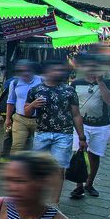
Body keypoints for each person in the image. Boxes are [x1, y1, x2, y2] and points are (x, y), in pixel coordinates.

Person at [25, 60, 87, 204]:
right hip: (42, 133)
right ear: (46, 72)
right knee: (36, 168)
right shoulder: (36, 90)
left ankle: (54, 203)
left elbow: (76, 115)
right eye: (54, 69)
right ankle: (35, 199)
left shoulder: (69, 90)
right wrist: (33, 105)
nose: (57, 72)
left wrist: (82, 137)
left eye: (60, 70)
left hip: (63, 134)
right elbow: (26, 112)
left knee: (59, 170)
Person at [69, 61, 110, 199]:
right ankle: (79, 186)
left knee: (95, 155)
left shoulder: (107, 83)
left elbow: (109, 101)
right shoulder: (76, 83)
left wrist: (100, 82)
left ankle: (89, 183)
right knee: (79, 153)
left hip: (100, 125)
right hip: (80, 125)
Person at [4, 61, 42, 153]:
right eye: (21, 71)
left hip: (39, 119)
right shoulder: (14, 83)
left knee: (38, 148)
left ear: (32, 70)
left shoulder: (42, 81)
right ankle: (15, 166)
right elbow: (10, 101)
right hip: (20, 119)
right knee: (17, 147)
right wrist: (8, 118)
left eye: (27, 70)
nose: (25, 73)